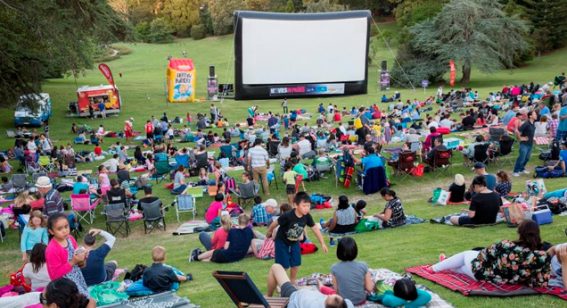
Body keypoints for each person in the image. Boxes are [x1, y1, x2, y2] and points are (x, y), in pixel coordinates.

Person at [431, 220, 550, 287]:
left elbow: (483, 255)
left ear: (519, 232)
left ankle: (434, 268)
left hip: (486, 275)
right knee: (462, 267)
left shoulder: (506, 245)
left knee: (467, 254)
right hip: (504, 281)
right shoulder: (542, 257)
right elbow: (541, 283)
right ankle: (446, 263)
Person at [266, 192, 329, 283]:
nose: (307, 208)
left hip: (294, 241)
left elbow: (315, 228)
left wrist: (322, 243)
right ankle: (280, 283)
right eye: (304, 206)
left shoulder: (307, 216)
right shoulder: (287, 215)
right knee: (283, 266)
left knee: (296, 264)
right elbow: (275, 223)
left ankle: (292, 281)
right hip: (282, 241)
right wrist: (270, 231)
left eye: (308, 206)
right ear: (295, 205)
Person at [267, 263, 354, 308]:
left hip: (293, 297)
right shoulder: (348, 304)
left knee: (276, 267)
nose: (329, 295)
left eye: (328, 297)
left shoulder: (312, 305)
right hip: (304, 293)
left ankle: (268, 298)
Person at [45, 213, 89, 297]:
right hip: (65, 286)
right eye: (59, 229)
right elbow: (55, 275)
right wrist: (72, 262)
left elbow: (80, 264)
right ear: (51, 231)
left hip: (78, 278)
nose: (65, 230)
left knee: (85, 299)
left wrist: (83, 257)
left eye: (66, 226)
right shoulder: (52, 249)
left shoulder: (70, 239)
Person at [328, 237, 373, 305]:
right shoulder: (363, 266)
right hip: (360, 301)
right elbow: (369, 288)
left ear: (339, 251)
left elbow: (336, 290)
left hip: (344, 303)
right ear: (355, 250)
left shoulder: (334, 268)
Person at [513, 110, 536, 176]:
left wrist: (533, 138)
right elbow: (517, 132)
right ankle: (516, 171)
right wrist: (520, 138)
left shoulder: (533, 123)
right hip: (524, 144)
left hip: (530, 144)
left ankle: (522, 169)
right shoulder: (526, 124)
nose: (536, 115)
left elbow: (530, 133)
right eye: (534, 114)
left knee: (527, 158)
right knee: (521, 158)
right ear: (530, 116)